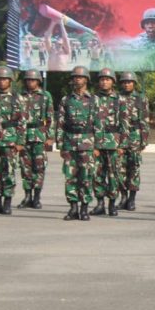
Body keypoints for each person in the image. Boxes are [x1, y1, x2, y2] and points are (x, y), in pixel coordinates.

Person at [55, 66, 99, 221]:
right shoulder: (66, 100)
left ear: (86, 79)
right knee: (70, 177)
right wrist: (60, 145)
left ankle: (84, 208)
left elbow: (99, 125)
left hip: (87, 143)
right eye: (75, 77)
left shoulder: (94, 100)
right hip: (70, 142)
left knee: (86, 177)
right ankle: (73, 207)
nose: (77, 79)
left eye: (80, 77)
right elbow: (60, 123)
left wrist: (97, 146)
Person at [91, 68, 129, 217]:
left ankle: (112, 204)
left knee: (114, 175)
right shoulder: (92, 99)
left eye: (107, 79)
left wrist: (123, 145)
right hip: (96, 143)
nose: (104, 82)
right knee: (97, 174)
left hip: (114, 143)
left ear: (113, 82)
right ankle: (100, 203)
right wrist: (92, 144)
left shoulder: (120, 100)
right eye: (102, 79)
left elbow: (125, 124)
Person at [0, 66, 26, 216]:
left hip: (10, 139)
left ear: (10, 80)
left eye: (4, 79)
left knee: (9, 172)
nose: (2, 81)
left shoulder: (17, 98)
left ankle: (7, 203)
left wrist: (20, 141)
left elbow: (22, 121)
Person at [18, 69, 54, 210]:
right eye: (27, 80)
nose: (30, 82)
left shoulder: (45, 96)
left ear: (38, 81)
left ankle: (37, 197)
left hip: (39, 135)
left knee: (39, 167)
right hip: (23, 135)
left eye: (32, 80)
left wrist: (50, 137)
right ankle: (27, 196)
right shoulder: (20, 96)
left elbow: (50, 117)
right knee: (25, 167)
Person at [117, 71, 148, 211]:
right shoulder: (116, 98)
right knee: (119, 169)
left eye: (129, 82)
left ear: (134, 83)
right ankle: (123, 197)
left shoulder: (141, 99)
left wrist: (144, 140)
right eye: (124, 82)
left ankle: (132, 199)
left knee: (134, 168)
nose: (127, 84)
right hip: (119, 137)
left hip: (135, 136)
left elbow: (144, 120)